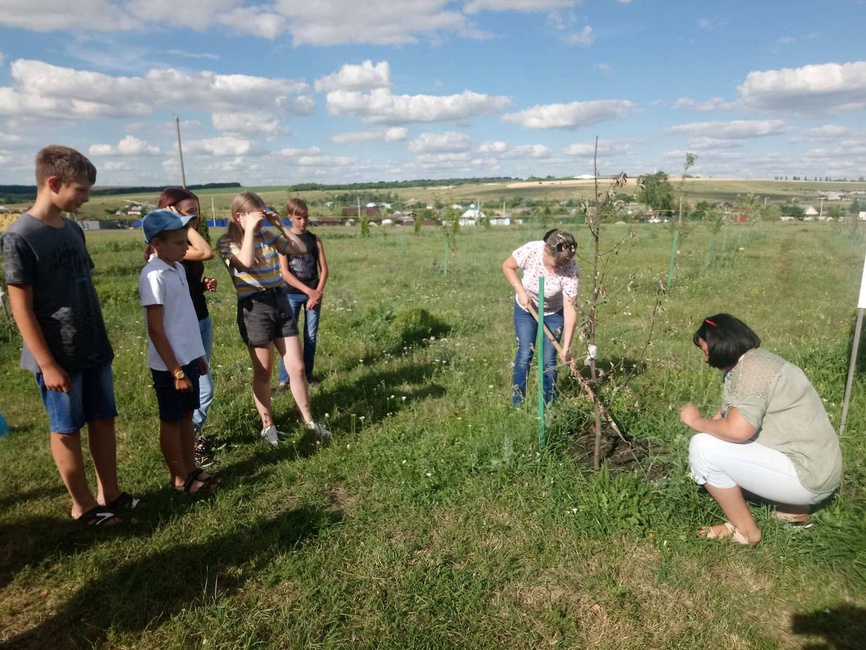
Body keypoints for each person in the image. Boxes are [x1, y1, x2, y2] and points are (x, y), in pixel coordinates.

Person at [1, 145, 138, 526]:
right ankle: (83, 507)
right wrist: (47, 364)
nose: (85, 198)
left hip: (93, 344)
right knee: (66, 430)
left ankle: (109, 493)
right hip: (57, 355)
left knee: (102, 420)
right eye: (80, 191)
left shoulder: (74, 229)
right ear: (53, 183)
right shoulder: (20, 236)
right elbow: (21, 307)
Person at [680, 314, 843, 546]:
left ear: (722, 345)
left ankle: (745, 532)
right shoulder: (758, 362)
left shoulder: (751, 372)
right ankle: (794, 509)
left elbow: (737, 430)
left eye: (706, 351)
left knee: (702, 447)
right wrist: (711, 426)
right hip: (819, 469)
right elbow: (731, 411)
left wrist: (695, 421)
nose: (705, 359)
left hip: (808, 477)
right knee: (712, 439)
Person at [217, 192, 331, 445]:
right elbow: (245, 263)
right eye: (255, 214)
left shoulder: (269, 235)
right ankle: (268, 425)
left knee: (298, 368)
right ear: (239, 216)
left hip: (280, 300)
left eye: (262, 213)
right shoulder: (226, 242)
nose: (261, 219)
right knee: (264, 371)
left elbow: (300, 248)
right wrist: (247, 231)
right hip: (255, 307)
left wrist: (279, 225)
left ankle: (308, 420)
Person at [139, 209, 216, 493]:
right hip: (170, 367)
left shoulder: (179, 269)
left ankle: (190, 467)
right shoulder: (153, 276)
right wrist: (176, 371)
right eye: (180, 242)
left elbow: (184, 320)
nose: (186, 247)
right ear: (157, 244)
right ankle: (179, 478)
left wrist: (197, 356)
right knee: (171, 420)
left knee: (187, 415)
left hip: (188, 360)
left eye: (186, 240)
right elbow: (157, 330)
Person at [155, 188, 218, 464]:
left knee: (200, 383)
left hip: (199, 320)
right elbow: (206, 252)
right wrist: (181, 223)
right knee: (203, 388)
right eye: (189, 210)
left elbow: (183, 284)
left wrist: (201, 286)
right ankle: (190, 440)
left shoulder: (180, 251)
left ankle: (191, 438)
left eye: (197, 210)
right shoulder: (169, 249)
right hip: (183, 330)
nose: (196, 216)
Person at [502, 229, 579, 406]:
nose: (558, 269)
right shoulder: (532, 250)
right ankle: (518, 402)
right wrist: (520, 291)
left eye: (562, 265)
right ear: (545, 250)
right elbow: (508, 266)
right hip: (526, 309)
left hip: (554, 313)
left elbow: (570, 310)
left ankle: (548, 403)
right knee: (524, 353)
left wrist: (566, 348)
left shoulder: (571, 269)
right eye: (555, 264)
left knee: (549, 360)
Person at [277, 198, 329, 392]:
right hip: (291, 295)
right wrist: (309, 291)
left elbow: (324, 269)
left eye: (306, 217)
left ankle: (307, 374)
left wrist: (317, 293)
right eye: (298, 217)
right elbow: (286, 273)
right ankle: (284, 379)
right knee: (288, 336)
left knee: (311, 336)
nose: (303, 221)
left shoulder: (314, 240)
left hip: (314, 295)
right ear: (289, 217)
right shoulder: (284, 240)